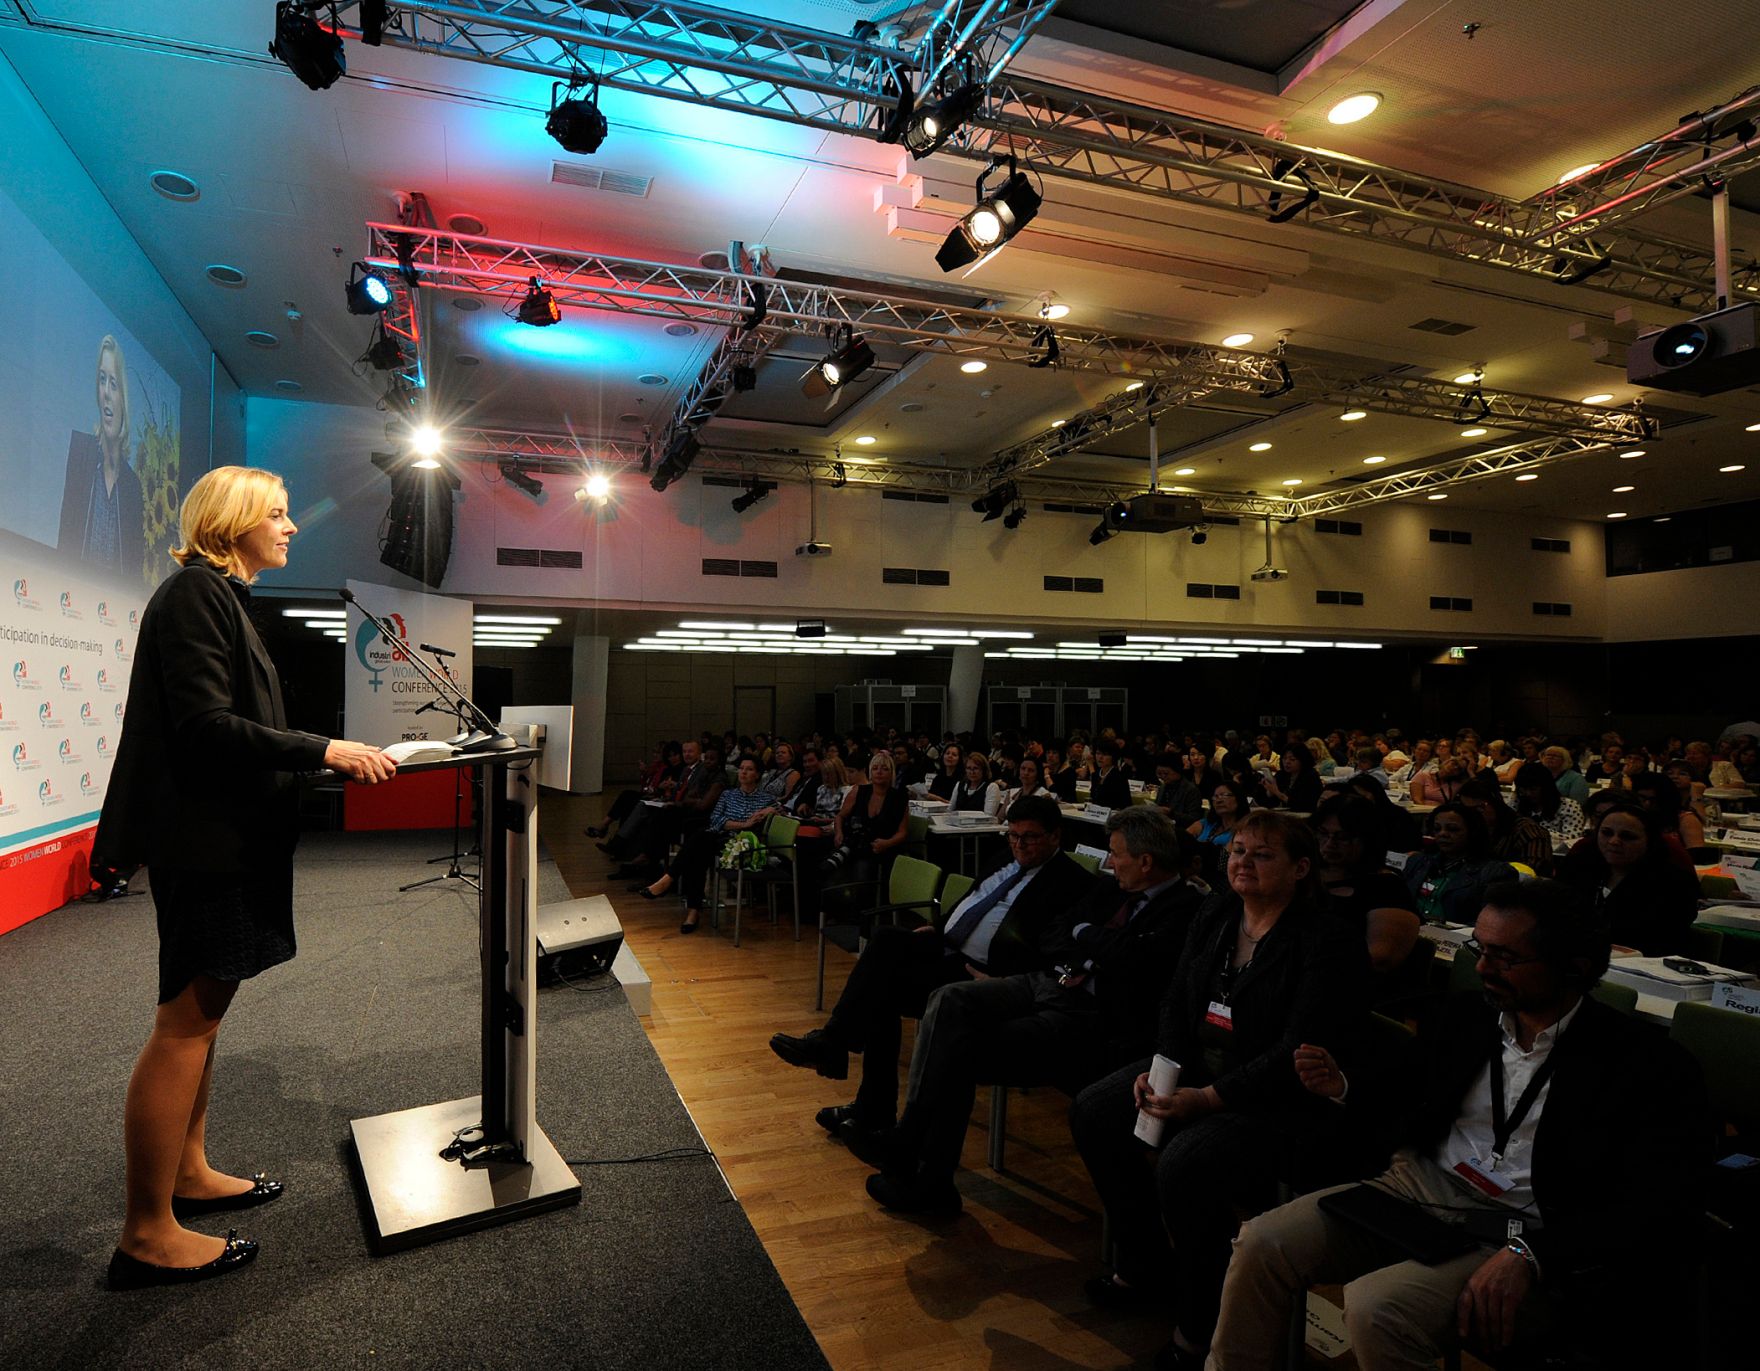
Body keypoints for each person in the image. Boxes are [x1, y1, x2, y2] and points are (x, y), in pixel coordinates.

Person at [93, 466, 397, 1289]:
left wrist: (317, 751)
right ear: (232, 522)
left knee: (205, 1016)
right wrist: (323, 749)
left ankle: (186, 1175)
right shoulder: (196, 595)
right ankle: (148, 1232)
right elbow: (207, 729)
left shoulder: (219, 598)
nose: (293, 525)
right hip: (207, 848)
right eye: (279, 512)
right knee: (184, 1024)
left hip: (221, 843)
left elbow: (239, 726)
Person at [1209, 880, 1709, 1371]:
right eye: (1479, 949)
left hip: (1526, 1224)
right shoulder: (1467, 1017)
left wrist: (1533, 1253)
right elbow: (1402, 1097)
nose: (1483, 968)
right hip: (1420, 1183)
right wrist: (1343, 1088)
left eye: (1504, 957)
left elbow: (1648, 1200)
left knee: (1376, 1308)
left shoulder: (1643, 1064)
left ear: (1573, 964)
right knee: (1261, 1242)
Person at [1070, 811, 1370, 1368]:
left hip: (1280, 1098)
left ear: (1301, 868)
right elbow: (1177, 1001)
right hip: (1200, 1067)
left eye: (1261, 854)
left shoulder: (1327, 939)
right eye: (1237, 851)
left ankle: (1198, 1330)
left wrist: (1207, 1099)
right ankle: (1145, 1265)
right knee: (1095, 1109)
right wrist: (1162, 1069)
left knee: (1185, 1162)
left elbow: (1296, 1050)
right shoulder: (1217, 911)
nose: (1243, 862)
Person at [851, 809, 1207, 1216]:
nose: (1108, 862)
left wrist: (1086, 937)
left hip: (1092, 1016)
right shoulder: (1113, 889)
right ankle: (910, 1139)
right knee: (950, 1000)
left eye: (1116, 854)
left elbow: (1133, 963)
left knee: (957, 1048)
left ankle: (926, 1176)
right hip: (1047, 982)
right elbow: (1053, 934)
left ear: (1145, 861)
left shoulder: (1185, 908)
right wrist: (1090, 942)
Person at [769, 795, 1094, 1139]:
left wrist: (1009, 981)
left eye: (1029, 837)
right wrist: (939, 927)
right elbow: (973, 900)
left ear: (1055, 836)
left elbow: (1059, 950)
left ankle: (854, 1081)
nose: (1019, 844)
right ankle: (846, 1067)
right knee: (886, 942)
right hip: (949, 951)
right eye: (1013, 835)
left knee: (883, 991)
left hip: (987, 977)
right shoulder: (1004, 857)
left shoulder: (1073, 883)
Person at [639, 755, 777, 933]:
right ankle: (690, 908)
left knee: (698, 843)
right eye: (741, 768)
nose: (743, 772)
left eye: (749, 769)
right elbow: (716, 819)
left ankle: (676, 890)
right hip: (719, 838)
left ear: (757, 774)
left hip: (740, 845)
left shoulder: (765, 799)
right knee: (698, 852)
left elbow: (782, 810)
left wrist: (770, 809)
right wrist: (744, 823)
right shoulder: (729, 794)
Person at [1557, 798, 1698, 955]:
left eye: (1627, 836)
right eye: (1606, 833)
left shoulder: (1674, 883)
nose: (1614, 841)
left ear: (1648, 842)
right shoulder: (1579, 867)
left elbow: (1663, 941)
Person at [60, 333, 147, 583]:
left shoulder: (132, 486)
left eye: (114, 384)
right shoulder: (80, 455)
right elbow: (64, 540)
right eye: (102, 380)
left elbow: (135, 576)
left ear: (125, 399)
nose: (106, 393)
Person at [1310, 794, 1420, 989]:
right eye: (1323, 833)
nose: (1329, 844)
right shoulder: (1304, 874)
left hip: (1347, 989)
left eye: (1342, 837)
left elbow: (1380, 959)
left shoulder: (1386, 888)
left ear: (1367, 839)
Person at [604, 739, 724, 877]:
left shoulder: (707, 774)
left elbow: (699, 802)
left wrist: (685, 800)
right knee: (645, 809)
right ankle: (633, 853)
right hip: (682, 808)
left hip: (693, 817)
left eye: (690, 751)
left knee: (659, 817)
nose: (687, 754)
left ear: (699, 753)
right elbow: (688, 795)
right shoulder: (687, 770)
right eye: (685, 751)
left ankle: (644, 859)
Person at [1402, 804, 1516, 925]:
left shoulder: (1495, 872)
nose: (1442, 834)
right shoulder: (1417, 862)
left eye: (1452, 829)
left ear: (1473, 832)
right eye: (1437, 829)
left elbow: (1491, 922)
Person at [1458, 774, 1554, 876]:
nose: (1472, 815)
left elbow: (1534, 871)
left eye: (1479, 808)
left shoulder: (1527, 830)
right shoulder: (1473, 829)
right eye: (1467, 811)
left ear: (1496, 803)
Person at [586, 739, 681, 839]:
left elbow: (655, 788)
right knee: (627, 801)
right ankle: (613, 834)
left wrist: (651, 785)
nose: (655, 755)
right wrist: (644, 775)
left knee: (627, 797)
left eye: (658, 753)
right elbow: (647, 786)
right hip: (650, 795)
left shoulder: (664, 768)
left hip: (655, 797)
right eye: (654, 752)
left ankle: (607, 828)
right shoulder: (654, 767)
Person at [1510, 761, 1585, 846]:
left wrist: (1536, 832)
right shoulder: (1516, 801)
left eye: (1533, 789)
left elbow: (1574, 838)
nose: (1528, 794)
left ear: (1546, 787)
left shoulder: (1569, 806)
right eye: (1523, 790)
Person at [1259, 745, 1321, 813]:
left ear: (1302, 760)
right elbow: (1270, 804)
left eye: (1292, 759)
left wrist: (1278, 793)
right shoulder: (1282, 774)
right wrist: (1270, 791)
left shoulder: (1311, 776)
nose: (1287, 762)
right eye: (1284, 758)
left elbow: (1305, 805)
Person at [1153, 753, 1203, 828]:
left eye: (1166, 773)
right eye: (1159, 774)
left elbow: (1194, 819)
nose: (1162, 776)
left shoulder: (1191, 790)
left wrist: (1171, 813)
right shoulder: (1164, 786)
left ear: (1177, 771)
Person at [947, 751, 1003, 817]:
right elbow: (949, 810)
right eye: (968, 768)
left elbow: (988, 817)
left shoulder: (992, 787)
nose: (972, 772)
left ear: (984, 770)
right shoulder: (959, 785)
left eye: (975, 768)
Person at [1088, 738, 1132, 810]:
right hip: (1096, 815)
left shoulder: (1119, 776)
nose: (1100, 757)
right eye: (1098, 753)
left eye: (1105, 754)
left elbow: (1126, 804)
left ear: (1113, 757)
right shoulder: (1096, 774)